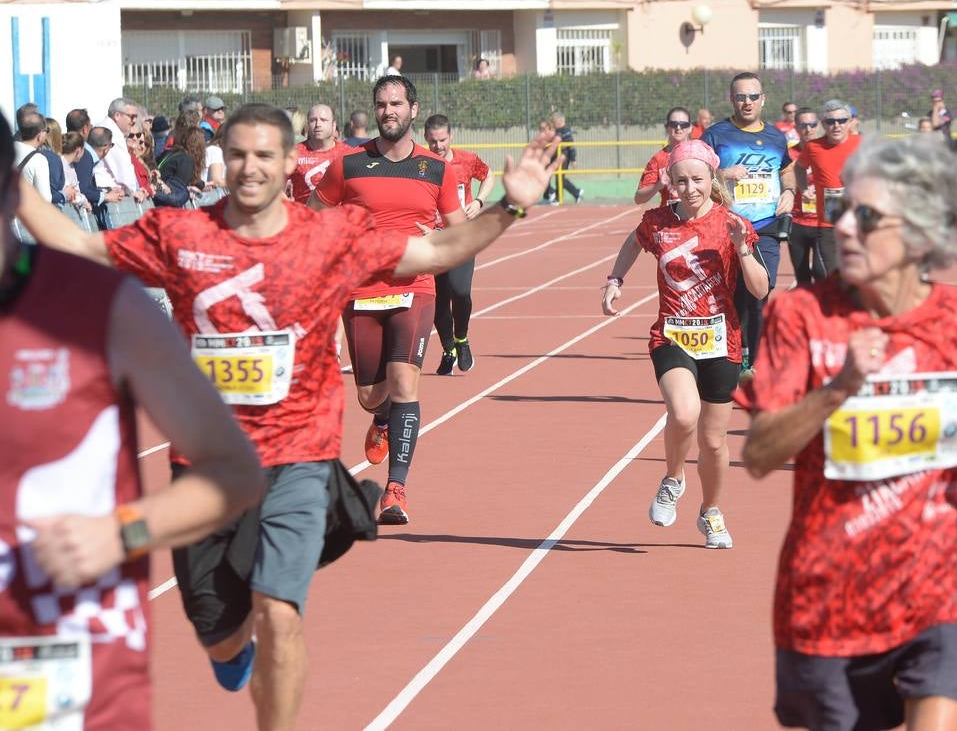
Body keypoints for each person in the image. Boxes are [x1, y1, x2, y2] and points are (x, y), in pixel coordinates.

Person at [17, 101, 559, 731]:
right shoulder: (182, 235)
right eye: (239, 154)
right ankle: (230, 647)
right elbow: (80, 244)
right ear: (225, 158)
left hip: (299, 456)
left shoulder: (328, 237)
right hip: (206, 469)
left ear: (290, 162)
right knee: (220, 634)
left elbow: (435, 249)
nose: (250, 168)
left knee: (280, 611)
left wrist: (510, 206)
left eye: (265, 156)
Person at [739, 134, 957, 731]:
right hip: (831, 588)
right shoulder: (800, 316)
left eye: (868, 216)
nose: (846, 229)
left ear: (920, 232)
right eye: (842, 213)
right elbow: (758, 454)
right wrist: (840, 388)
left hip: (946, 576)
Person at [0, 111, 264, 730]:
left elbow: (235, 471)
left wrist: (124, 533)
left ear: (12, 195)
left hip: (64, 669)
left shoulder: (99, 309)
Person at [310, 76, 465, 524]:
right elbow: (312, 218)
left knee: (405, 383)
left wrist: (435, 237)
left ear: (413, 109)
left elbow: (457, 232)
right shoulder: (349, 165)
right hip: (360, 289)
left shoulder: (436, 169)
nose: (388, 111)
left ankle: (396, 490)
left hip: (415, 287)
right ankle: (381, 420)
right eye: (381, 105)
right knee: (370, 395)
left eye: (396, 104)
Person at [602, 139, 769, 548]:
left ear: (712, 178)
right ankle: (673, 479)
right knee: (683, 411)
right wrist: (614, 280)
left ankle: (711, 513)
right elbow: (631, 243)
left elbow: (761, 290)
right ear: (671, 183)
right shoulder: (656, 222)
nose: (690, 188)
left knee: (714, 441)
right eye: (681, 181)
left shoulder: (733, 223)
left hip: (722, 339)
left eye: (697, 179)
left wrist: (743, 250)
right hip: (673, 334)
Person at [700, 72, 797, 381]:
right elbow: (694, 174)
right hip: (727, 227)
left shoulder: (775, 136)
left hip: (765, 226)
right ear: (732, 100)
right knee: (731, 295)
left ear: (763, 99)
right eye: (741, 96)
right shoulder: (716, 135)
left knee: (761, 289)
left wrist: (790, 191)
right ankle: (731, 357)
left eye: (753, 96)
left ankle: (752, 362)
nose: (747, 102)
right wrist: (724, 174)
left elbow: (789, 169)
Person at [424, 114, 496, 376]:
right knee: (438, 301)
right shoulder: (420, 164)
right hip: (433, 239)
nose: (438, 146)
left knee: (460, 291)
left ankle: (461, 339)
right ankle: (448, 349)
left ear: (450, 137)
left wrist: (478, 202)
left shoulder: (466, 160)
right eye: (433, 141)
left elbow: (489, 176)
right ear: (425, 139)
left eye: (442, 140)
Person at [795, 99, 862, 277]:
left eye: (841, 121)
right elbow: (799, 167)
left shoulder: (862, 144)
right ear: (823, 124)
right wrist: (803, 188)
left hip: (858, 221)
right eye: (830, 121)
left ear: (850, 122)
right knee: (833, 277)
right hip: (828, 224)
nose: (836, 126)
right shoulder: (813, 147)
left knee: (859, 275)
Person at [788, 108, 825, 288]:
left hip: (822, 223)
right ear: (796, 127)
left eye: (812, 125)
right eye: (803, 125)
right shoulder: (788, 155)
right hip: (797, 223)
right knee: (802, 277)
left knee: (821, 272)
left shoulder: (826, 151)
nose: (808, 129)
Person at [287, 103, 349, 202]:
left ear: (333, 125)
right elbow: (275, 186)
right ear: (307, 125)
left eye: (323, 120)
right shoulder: (294, 153)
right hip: (304, 216)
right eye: (313, 120)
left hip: (338, 216)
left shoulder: (348, 153)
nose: (318, 124)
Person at [634, 107, 694, 206]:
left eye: (683, 124)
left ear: (690, 128)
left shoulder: (701, 153)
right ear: (667, 128)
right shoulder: (658, 159)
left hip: (696, 218)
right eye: (673, 124)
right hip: (670, 218)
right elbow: (638, 199)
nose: (678, 128)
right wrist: (658, 185)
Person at [13, 111, 53, 203]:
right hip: (22, 214)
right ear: (40, 134)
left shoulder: (6, 149)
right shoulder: (39, 160)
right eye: (47, 130)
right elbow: (45, 199)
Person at [545, 110, 583, 204]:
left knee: (560, 178)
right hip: (556, 156)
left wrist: (573, 159)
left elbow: (571, 145)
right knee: (551, 175)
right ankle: (576, 193)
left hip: (564, 157)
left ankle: (559, 198)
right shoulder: (557, 130)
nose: (553, 124)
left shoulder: (565, 131)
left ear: (560, 121)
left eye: (554, 122)